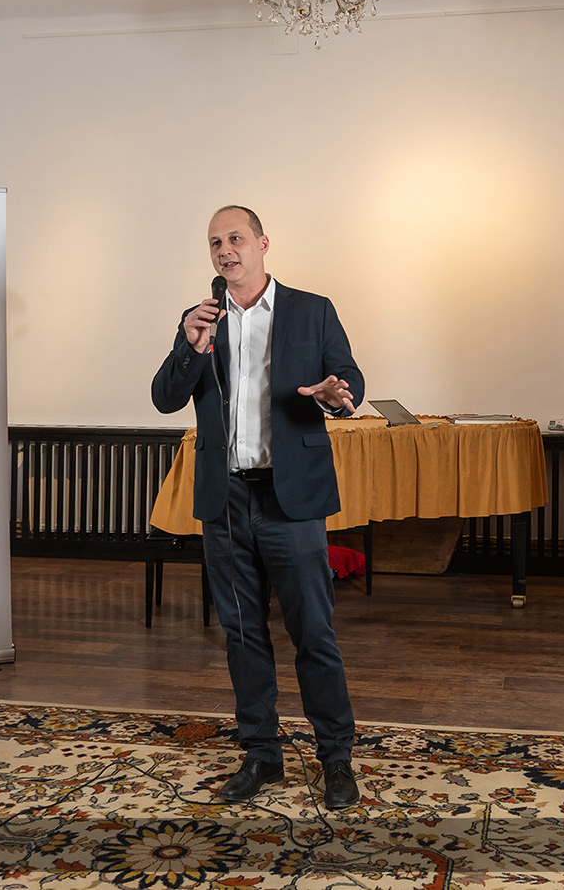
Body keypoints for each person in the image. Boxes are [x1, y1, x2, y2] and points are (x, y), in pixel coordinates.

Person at [151, 204, 364, 811]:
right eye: (215, 242)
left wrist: (332, 395)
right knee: (242, 634)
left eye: (236, 238)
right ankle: (261, 755)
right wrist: (191, 348)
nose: (226, 250)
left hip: (288, 497)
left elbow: (349, 382)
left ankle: (335, 757)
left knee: (312, 631)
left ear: (263, 243)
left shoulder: (311, 310)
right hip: (226, 498)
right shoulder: (201, 320)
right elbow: (165, 397)